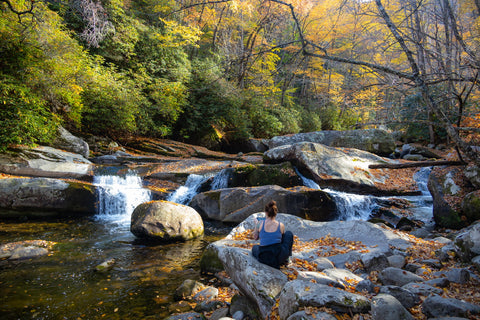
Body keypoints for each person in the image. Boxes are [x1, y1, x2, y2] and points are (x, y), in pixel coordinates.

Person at [251, 200, 293, 269]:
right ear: (275, 213)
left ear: (266, 213)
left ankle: (283, 259)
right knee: (288, 234)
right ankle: (287, 259)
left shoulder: (260, 223)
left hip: (263, 258)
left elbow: (255, 238)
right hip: (278, 258)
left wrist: (256, 226)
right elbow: (282, 240)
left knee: (254, 248)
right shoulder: (281, 225)